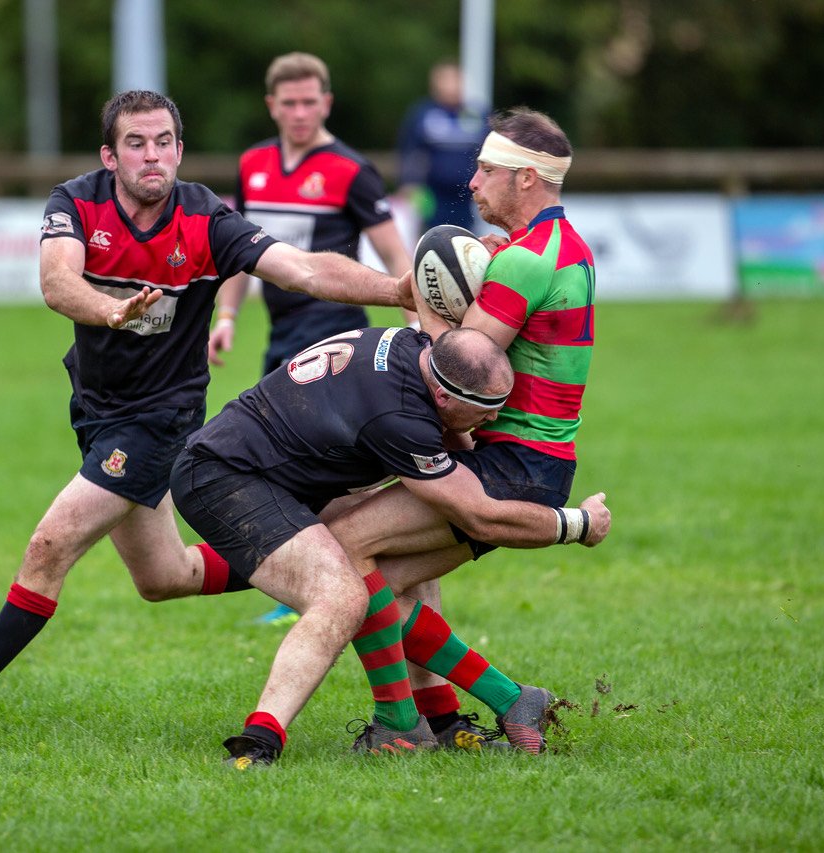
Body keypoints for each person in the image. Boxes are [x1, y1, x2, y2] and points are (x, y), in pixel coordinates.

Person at [0, 89, 412, 736]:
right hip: (97, 411)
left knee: (50, 544)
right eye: (136, 143)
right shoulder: (76, 202)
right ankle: (313, 543)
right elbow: (56, 281)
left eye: (163, 142)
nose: (152, 155)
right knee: (164, 576)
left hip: (161, 418)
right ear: (110, 156)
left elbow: (301, 269)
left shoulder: (205, 218)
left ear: (180, 150)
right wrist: (110, 309)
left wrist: (396, 288)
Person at [171, 326, 610, 766]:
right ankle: (260, 743)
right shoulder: (399, 416)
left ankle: (426, 721)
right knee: (342, 594)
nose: (493, 419)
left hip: (276, 469)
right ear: (443, 396)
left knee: (374, 562)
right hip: (224, 479)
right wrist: (579, 524)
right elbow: (479, 516)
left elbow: (451, 436)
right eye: (485, 408)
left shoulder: (415, 348)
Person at [327, 107, 599, 753]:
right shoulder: (561, 247)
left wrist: (426, 304)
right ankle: (439, 719)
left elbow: (455, 372)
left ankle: (430, 718)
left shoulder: (524, 262)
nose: (472, 182)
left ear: (526, 178)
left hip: (512, 466)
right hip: (531, 459)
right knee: (389, 577)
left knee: (343, 555)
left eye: (486, 169)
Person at [207, 52, 413, 627]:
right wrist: (226, 317)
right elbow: (239, 253)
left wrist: (419, 324)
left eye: (309, 101)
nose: (299, 112)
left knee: (322, 465)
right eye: (289, 102)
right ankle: (309, 575)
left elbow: (396, 257)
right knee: (278, 458)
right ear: (271, 105)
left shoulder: (351, 170)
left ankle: (335, 574)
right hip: (281, 337)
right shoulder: (253, 164)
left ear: (326, 103)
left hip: (337, 340)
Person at [396, 61, 489, 233]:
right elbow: (410, 150)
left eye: (456, 80)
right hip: (432, 193)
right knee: (432, 235)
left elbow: (488, 150)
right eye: (446, 80)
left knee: (467, 235)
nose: (452, 87)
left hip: (468, 193)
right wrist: (409, 182)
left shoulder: (476, 114)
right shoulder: (423, 114)